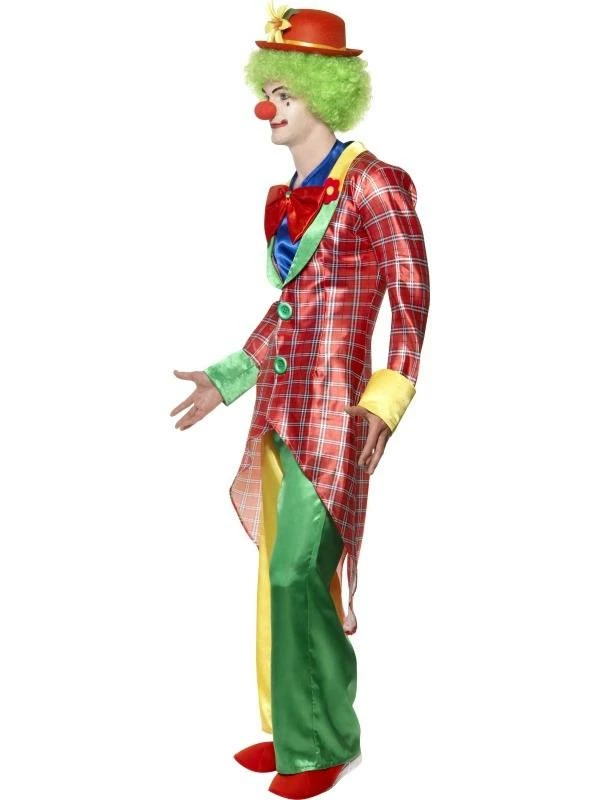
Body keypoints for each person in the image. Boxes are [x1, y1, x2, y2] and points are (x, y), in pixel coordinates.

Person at [170, 5, 430, 797]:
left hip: (337, 415)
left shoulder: (375, 183)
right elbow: (290, 313)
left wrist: (386, 400)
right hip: (281, 411)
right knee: (275, 578)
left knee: (297, 574)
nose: (269, 107)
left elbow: (412, 297)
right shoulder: (293, 193)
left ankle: (325, 742)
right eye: (269, 92)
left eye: (285, 93)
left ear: (326, 93)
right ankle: (292, 728)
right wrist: (226, 378)